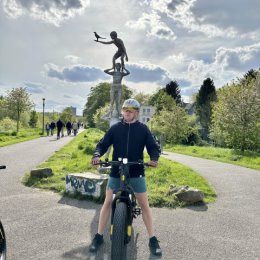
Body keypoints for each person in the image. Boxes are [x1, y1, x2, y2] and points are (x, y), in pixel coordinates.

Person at [89, 98, 162, 256]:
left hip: (136, 171)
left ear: (136, 112)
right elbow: (103, 143)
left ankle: (153, 239)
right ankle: (99, 236)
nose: (126, 113)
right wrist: (96, 154)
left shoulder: (143, 129)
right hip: (116, 170)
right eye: (124, 110)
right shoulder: (115, 128)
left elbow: (152, 147)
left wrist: (154, 159)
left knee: (144, 205)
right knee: (108, 202)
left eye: (130, 111)